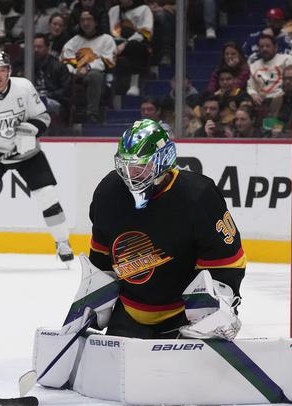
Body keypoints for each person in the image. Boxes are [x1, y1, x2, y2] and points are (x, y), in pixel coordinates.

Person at [88, 119, 246, 339]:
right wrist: (95, 302)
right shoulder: (108, 193)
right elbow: (100, 257)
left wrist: (218, 307)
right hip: (130, 315)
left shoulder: (198, 196)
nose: (131, 175)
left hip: (186, 318)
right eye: (125, 166)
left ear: (163, 161)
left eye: (141, 167)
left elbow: (226, 261)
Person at [0, 50, 73, 270]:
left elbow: (43, 118)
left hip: (28, 153)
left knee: (47, 195)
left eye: (2, 70)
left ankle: (62, 243)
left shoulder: (24, 88)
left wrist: (31, 131)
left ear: (9, 71)